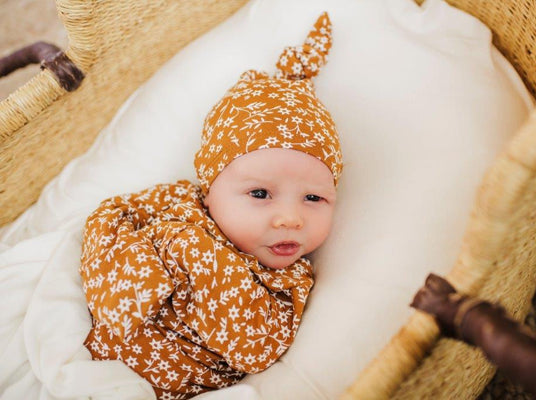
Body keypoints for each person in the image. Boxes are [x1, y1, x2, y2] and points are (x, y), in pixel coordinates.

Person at [79, 12, 343, 400]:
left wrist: (193, 253)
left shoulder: (286, 282)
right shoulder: (179, 201)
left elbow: (255, 348)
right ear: (210, 189)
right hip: (97, 345)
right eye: (259, 194)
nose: (291, 218)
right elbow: (107, 216)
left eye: (314, 198)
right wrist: (128, 275)